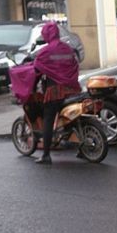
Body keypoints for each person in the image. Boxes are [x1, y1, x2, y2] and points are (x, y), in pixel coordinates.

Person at [33, 22, 81, 165]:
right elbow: (75, 65)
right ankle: (78, 146)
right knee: (72, 118)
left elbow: (37, 70)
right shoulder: (68, 49)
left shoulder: (45, 52)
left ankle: (46, 155)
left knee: (48, 119)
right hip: (72, 90)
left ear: (47, 35)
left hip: (55, 92)